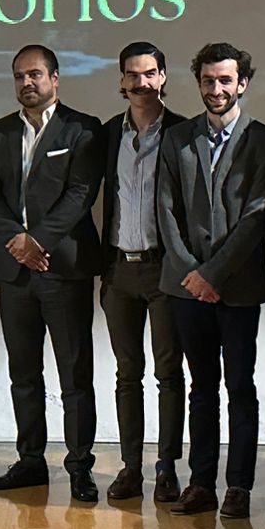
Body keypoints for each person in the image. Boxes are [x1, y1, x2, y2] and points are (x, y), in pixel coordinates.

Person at [156, 43, 265, 519]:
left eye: (225, 81)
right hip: (186, 287)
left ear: (242, 84)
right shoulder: (178, 139)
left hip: (237, 287)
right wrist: (194, 273)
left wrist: (213, 274)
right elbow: (164, 210)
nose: (215, 89)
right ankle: (201, 482)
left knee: (240, 387)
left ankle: (240, 487)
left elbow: (256, 218)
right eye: (208, 81)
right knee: (200, 387)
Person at [0, 44, 103, 501]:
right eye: (18, 77)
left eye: (34, 75)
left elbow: (80, 193)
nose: (26, 83)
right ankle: (31, 461)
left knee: (75, 375)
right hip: (15, 273)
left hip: (63, 269)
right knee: (23, 373)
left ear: (55, 78)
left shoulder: (83, 128)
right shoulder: (1, 131)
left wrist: (38, 242)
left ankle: (79, 467)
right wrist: (16, 240)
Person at [100, 41, 187, 503]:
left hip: (164, 271)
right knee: (126, 373)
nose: (141, 82)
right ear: (121, 81)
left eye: (150, 73)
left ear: (163, 77)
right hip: (118, 271)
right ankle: (130, 468)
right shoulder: (108, 133)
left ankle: (167, 467)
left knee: (170, 375)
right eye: (132, 75)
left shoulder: (183, 133)